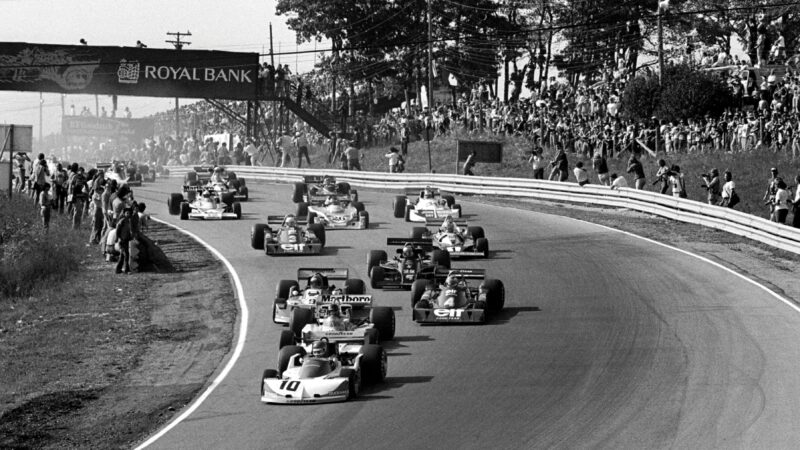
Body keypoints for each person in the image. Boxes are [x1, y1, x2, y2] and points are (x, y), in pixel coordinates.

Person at [115, 207, 134, 274]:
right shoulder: (122, 221)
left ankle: (118, 269)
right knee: (126, 255)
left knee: (123, 255)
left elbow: (129, 230)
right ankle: (126, 269)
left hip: (126, 240)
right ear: (124, 214)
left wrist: (130, 236)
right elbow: (117, 229)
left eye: (129, 213)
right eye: (127, 213)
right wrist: (117, 238)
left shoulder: (128, 221)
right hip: (122, 240)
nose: (128, 214)